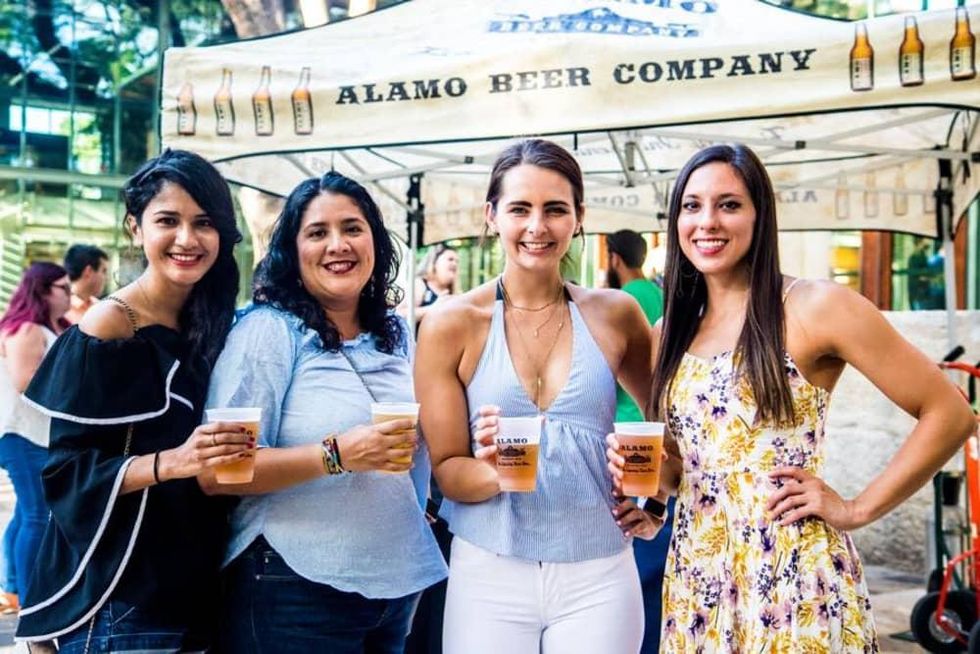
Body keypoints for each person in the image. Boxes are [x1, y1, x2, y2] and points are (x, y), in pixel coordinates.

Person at [606, 144, 976, 652]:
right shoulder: (668, 330)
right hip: (699, 579)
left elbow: (951, 413)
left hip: (791, 576)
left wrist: (856, 509)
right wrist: (651, 502)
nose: (707, 221)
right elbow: (681, 469)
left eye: (729, 204)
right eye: (692, 206)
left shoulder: (815, 306)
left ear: (760, 214)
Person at [416, 139, 661, 654]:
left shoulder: (616, 314)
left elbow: (670, 429)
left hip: (600, 571)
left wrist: (656, 504)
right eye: (519, 209)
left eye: (555, 209)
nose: (537, 226)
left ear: (578, 217)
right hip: (489, 569)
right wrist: (494, 471)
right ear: (492, 216)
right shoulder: (450, 323)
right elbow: (448, 470)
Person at [15, 149, 252, 652]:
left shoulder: (212, 322)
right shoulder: (111, 324)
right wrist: (172, 462)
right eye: (168, 220)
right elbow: (67, 475)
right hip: (122, 600)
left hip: (196, 589)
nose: (187, 239)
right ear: (135, 228)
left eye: (204, 222)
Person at [206, 171, 446, 652]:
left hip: (394, 587)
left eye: (353, 228)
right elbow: (218, 473)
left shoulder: (396, 333)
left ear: (375, 240)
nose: (338, 244)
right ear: (292, 252)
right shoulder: (267, 332)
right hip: (293, 589)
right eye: (318, 232)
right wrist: (337, 454)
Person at [605, 229, 671, 654]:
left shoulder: (621, 302)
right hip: (662, 444)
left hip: (628, 442)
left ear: (614, 258)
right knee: (656, 558)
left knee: (636, 558)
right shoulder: (662, 297)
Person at [0, 262, 71, 615]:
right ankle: (31, 605)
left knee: (25, 513)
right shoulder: (27, 328)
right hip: (22, 433)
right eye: (63, 288)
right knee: (36, 514)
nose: (70, 295)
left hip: (36, 434)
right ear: (42, 290)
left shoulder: (49, 327)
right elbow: (25, 381)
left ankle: (13, 589)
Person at [398, 243, 459, 329]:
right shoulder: (420, 285)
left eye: (457, 261)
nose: (454, 264)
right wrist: (433, 309)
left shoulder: (454, 294)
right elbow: (400, 314)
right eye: (450, 259)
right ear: (434, 262)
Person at [63, 244, 109, 324]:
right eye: (103, 271)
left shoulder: (101, 307)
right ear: (88, 271)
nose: (107, 278)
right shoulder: (60, 310)